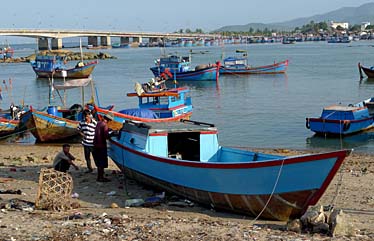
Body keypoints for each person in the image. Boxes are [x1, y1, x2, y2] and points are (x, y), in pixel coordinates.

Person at [93, 113, 113, 182]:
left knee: (99, 162)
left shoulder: (99, 123)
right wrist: (112, 134)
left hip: (95, 145)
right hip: (101, 145)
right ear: (108, 120)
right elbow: (106, 136)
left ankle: (99, 176)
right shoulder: (104, 125)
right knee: (102, 162)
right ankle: (100, 177)